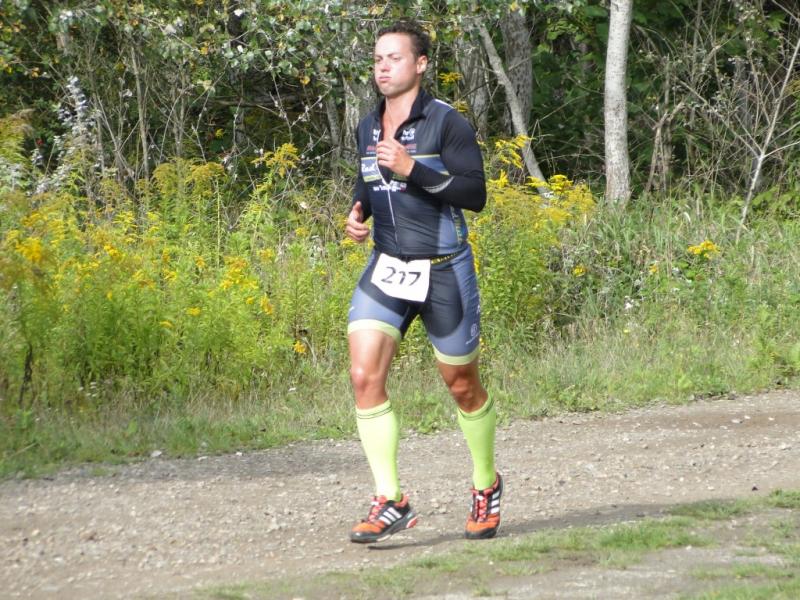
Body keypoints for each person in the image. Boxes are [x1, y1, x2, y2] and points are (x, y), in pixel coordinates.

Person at [344, 20, 502, 544]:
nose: (382, 67)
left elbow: (475, 195)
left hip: (444, 270)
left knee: (462, 385)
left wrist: (414, 169)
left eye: (393, 58)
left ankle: (486, 483)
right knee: (364, 375)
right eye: (377, 59)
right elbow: (368, 179)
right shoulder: (368, 125)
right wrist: (358, 211)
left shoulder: (446, 123)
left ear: (421, 64)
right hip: (388, 267)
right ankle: (391, 499)